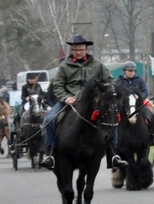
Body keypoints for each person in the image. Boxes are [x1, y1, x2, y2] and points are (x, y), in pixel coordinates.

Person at [40, 34, 126, 171]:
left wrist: (107, 90)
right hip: (69, 102)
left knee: (111, 120)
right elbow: (57, 85)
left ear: (86, 49)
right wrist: (66, 97)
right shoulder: (64, 66)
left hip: (92, 103)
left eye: (81, 49)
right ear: (72, 50)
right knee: (49, 119)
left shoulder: (97, 64)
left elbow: (109, 80)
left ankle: (113, 156)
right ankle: (51, 155)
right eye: (75, 49)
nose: (78, 52)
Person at [115, 61, 154, 146]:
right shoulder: (119, 81)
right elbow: (116, 92)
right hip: (123, 106)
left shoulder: (139, 80)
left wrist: (139, 98)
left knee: (151, 115)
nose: (131, 73)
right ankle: (114, 138)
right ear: (125, 71)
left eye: (132, 71)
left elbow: (145, 91)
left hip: (138, 105)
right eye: (129, 71)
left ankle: (152, 136)